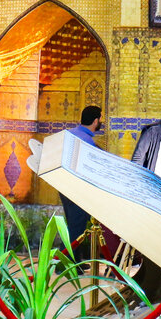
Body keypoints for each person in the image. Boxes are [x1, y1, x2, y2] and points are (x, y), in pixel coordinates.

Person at [60, 105, 103, 254]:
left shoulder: (69, 134)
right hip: (77, 189)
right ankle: (67, 263)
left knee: (73, 225)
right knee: (76, 227)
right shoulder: (87, 141)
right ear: (96, 120)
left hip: (64, 186)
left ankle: (75, 260)